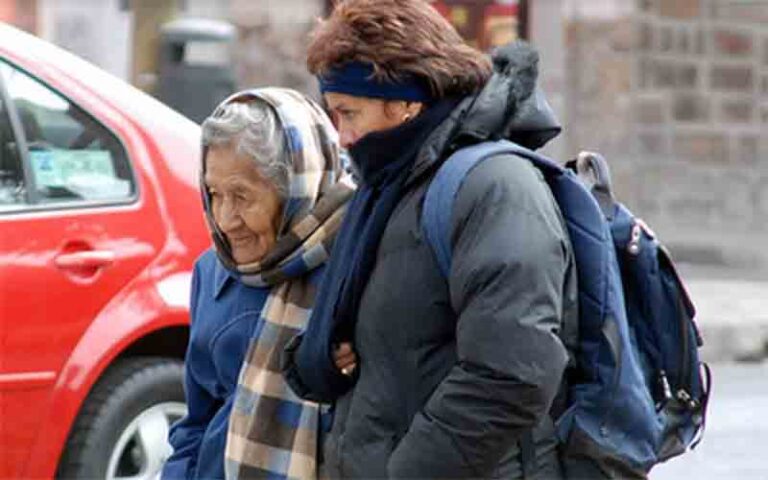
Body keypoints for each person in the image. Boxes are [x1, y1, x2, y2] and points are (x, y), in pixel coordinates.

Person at [281, 0, 579, 478]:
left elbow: (513, 373)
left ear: (406, 103)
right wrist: (331, 353)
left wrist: (407, 471)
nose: (341, 136)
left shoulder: (494, 188)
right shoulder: (386, 186)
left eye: (349, 113)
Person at [161, 87, 353, 480]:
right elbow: (197, 421)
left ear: (295, 189)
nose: (225, 219)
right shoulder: (212, 272)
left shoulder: (352, 260)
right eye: (214, 194)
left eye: (242, 196)